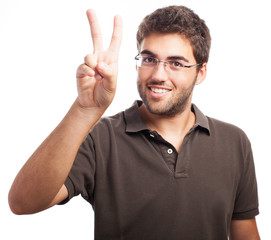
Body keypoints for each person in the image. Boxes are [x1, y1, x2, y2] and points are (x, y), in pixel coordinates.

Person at [8, 5, 260, 240]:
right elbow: (23, 203)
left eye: (176, 63)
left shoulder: (234, 141)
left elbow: (245, 232)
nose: (159, 75)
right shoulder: (101, 138)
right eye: (149, 59)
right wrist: (85, 110)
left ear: (200, 72)